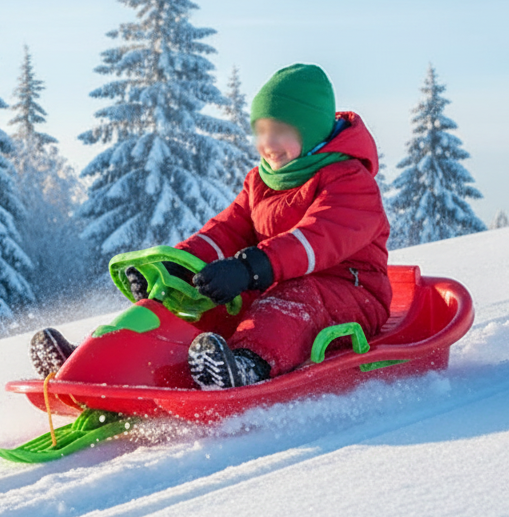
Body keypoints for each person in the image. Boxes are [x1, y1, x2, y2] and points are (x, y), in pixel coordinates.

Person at [31, 63, 392, 390]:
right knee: (202, 299)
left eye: (281, 131)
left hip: (349, 292)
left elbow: (317, 238)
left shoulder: (350, 180)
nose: (268, 144)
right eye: (261, 131)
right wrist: (176, 267)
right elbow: (226, 231)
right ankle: (103, 359)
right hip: (271, 280)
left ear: (310, 131)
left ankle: (248, 366)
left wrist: (251, 268)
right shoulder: (261, 181)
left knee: (293, 299)